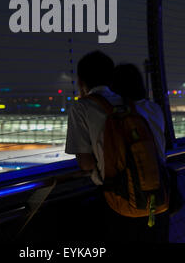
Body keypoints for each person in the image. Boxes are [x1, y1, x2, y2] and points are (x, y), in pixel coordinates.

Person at [65, 51, 169, 243]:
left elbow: (85, 163)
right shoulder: (144, 107)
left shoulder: (82, 107)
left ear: (80, 81)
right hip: (158, 197)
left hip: (119, 202)